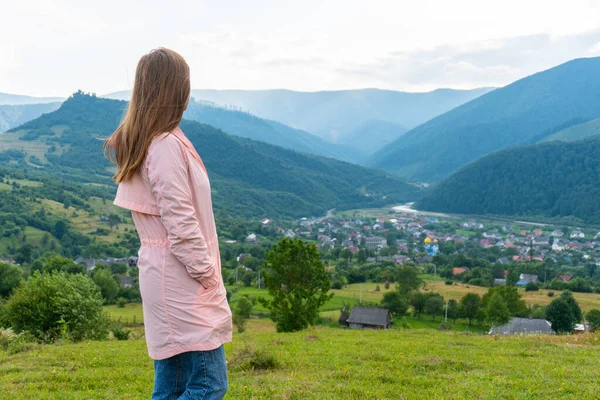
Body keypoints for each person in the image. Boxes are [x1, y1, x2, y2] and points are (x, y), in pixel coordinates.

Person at [104, 47, 232, 400]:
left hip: (168, 275)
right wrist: (208, 275)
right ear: (174, 89)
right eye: (186, 82)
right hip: (183, 279)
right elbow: (181, 220)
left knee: (173, 384)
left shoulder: (158, 140)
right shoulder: (163, 145)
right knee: (209, 383)